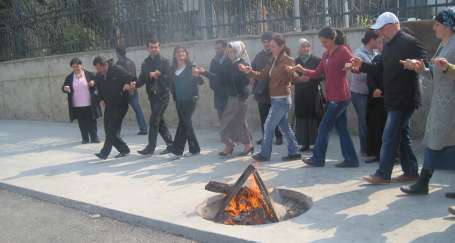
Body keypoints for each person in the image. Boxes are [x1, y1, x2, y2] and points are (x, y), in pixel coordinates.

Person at [350, 12, 426, 183]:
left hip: (404, 99)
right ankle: (411, 171)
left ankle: (383, 174)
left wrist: (417, 64)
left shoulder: (409, 41)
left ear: (391, 26)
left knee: (389, 135)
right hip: (392, 99)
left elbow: (425, 62)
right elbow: (379, 69)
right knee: (401, 136)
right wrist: (362, 66)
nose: (380, 34)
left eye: (382, 29)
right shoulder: (388, 45)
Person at [398, 8, 455, 197]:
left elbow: (447, 70)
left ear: (448, 26)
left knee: (436, 141)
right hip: (441, 103)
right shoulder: (443, 44)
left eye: (438, 24)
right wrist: (421, 68)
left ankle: (423, 183)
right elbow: (435, 74)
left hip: (451, 104)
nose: (434, 27)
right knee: (442, 142)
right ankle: (423, 183)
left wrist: (447, 67)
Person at [294, 27, 359, 168]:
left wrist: (351, 67)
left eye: (326, 42)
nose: (323, 44)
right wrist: (302, 70)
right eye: (322, 42)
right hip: (332, 97)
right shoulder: (325, 55)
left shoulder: (343, 51)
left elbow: (356, 67)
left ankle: (318, 158)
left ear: (333, 39)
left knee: (323, 128)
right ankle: (351, 160)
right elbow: (318, 73)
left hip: (340, 97)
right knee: (342, 130)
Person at [240, 34, 300, 162]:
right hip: (275, 99)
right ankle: (294, 151)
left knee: (268, 126)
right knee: (284, 127)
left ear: (281, 46)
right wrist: (248, 71)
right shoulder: (273, 59)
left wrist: (293, 73)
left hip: (282, 99)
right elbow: (262, 75)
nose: (270, 48)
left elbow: (294, 78)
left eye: (273, 46)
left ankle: (265, 154)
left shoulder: (288, 60)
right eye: (270, 46)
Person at [92, 56, 135, 159]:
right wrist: (101, 99)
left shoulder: (117, 70)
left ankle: (104, 153)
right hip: (109, 105)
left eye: (98, 68)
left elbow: (131, 78)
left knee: (111, 129)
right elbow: (97, 89)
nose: (97, 71)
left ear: (104, 65)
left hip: (121, 104)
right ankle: (124, 149)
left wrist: (129, 85)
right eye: (96, 69)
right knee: (108, 130)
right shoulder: (99, 75)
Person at [137, 39, 174, 156]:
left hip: (162, 96)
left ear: (159, 48)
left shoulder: (165, 62)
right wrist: (134, 85)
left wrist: (160, 75)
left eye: (156, 47)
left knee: (154, 120)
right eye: (151, 47)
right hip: (152, 96)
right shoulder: (145, 62)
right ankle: (171, 145)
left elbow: (170, 79)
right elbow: (142, 79)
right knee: (160, 121)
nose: (154, 49)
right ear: (147, 48)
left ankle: (150, 147)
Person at [216, 41, 253, 156]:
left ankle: (230, 144)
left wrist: (244, 71)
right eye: (229, 51)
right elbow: (218, 79)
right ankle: (245, 145)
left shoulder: (243, 64)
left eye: (234, 51)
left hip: (240, 97)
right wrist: (204, 73)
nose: (231, 53)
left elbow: (247, 81)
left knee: (227, 122)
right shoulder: (227, 64)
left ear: (239, 52)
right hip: (231, 97)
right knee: (239, 122)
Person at [350, 30, 380, 158]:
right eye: (378, 39)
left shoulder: (376, 53)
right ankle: (365, 149)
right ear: (371, 40)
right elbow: (358, 72)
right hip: (360, 92)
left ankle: (372, 148)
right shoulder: (359, 54)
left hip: (372, 93)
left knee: (372, 121)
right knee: (364, 121)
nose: (379, 42)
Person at [168, 46, 203, 157]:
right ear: (175, 55)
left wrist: (197, 75)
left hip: (190, 99)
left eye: (183, 51)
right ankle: (179, 150)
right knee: (184, 124)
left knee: (186, 123)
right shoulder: (172, 69)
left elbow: (201, 81)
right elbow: (171, 84)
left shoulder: (191, 66)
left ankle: (190, 149)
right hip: (179, 100)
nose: (181, 53)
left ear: (186, 54)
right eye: (178, 52)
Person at [251, 32, 283, 146]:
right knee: (263, 116)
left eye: (268, 41)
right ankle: (265, 137)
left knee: (276, 116)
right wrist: (252, 80)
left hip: (274, 91)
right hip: (261, 92)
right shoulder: (258, 56)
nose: (266, 44)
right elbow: (253, 70)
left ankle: (279, 136)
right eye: (264, 42)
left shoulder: (278, 55)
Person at [293, 38, 323, 152]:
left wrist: (310, 77)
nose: (305, 49)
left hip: (312, 93)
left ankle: (314, 143)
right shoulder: (295, 62)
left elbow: (321, 75)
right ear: (299, 49)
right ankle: (303, 143)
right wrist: (299, 79)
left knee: (313, 116)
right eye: (303, 46)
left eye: (307, 46)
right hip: (300, 93)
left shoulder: (316, 60)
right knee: (301, 117)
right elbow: (291, 78)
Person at [62, 58, 101, 144]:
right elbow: (64, 87)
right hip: (77, 104)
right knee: (82, 122)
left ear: (81, 65)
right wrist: (65, 88)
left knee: (92, 121)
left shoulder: (89, 74)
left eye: (77, 66)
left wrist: (93, 82)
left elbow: (98, 81)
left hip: (89, 103)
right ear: (71, 67)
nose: (76, 68)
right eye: (74, 66)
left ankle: (94, 137)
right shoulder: (69, 77)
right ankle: (85, 138)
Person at [116, 46, 148, 135]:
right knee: (138, 109)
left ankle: (116, 131)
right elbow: (134, 76)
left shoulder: (119, 64)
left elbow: (119, 78)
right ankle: (143, 128)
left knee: (119, 112)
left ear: (117, 53)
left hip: (124, 90)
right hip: (133, 88)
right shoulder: (131, 62)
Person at [365, 37, 387, 163]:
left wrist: (382, 90)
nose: (378, 45)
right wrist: (374, 88)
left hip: (387, 98)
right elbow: (370, 75)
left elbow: (392, 78)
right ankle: (375, 153)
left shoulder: (391, 59)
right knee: (374, 126)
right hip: (375, 98)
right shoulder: (376, 58)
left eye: (381, 43)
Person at [206, 40, 230, 121]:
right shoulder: (214, 60)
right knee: (222, 119)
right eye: (215, 49)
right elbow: (211, 76)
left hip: (229, 95)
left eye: (218, 48)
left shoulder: (230, 59)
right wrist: (214, 87)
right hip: (218, 95)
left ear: (225, 48)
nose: (216, 50)